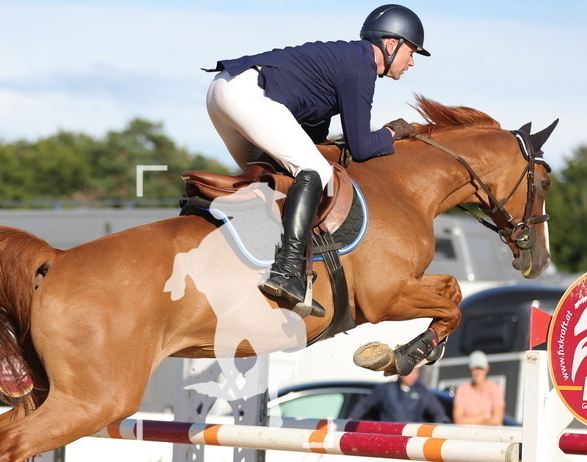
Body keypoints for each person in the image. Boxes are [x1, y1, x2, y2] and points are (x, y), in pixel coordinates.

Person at [205, 4, 430, 317]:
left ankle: (230, 247)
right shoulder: (361, 64)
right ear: (391, 45)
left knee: (269, 177)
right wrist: (392, 132)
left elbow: (315, 135)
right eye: (411, 51)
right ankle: (285, 272)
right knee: (314, 171)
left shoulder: (347, 60)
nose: (412, 62)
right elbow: (362, 146)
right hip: (245, 93)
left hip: (224, 90)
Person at [348, 367, 448, 424]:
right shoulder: (385, 389)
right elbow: (364, 405)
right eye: (410, 372)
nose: (414, 376)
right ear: (400, 373)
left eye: (416, 372)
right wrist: (351, 419)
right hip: (388, 434)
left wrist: (432, 431)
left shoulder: (422, 391)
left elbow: (438, 412)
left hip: (413, 437)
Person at [453, 350, 505, 426]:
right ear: (469, 370)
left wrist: (470, 421)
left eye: (480, 368)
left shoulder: (495, 389)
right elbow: (458, 420)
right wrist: (484, 416)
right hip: (469, 436)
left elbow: (497, 419)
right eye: (474, 368)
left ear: (487, 369)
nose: (478, 372)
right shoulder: (462, 389)